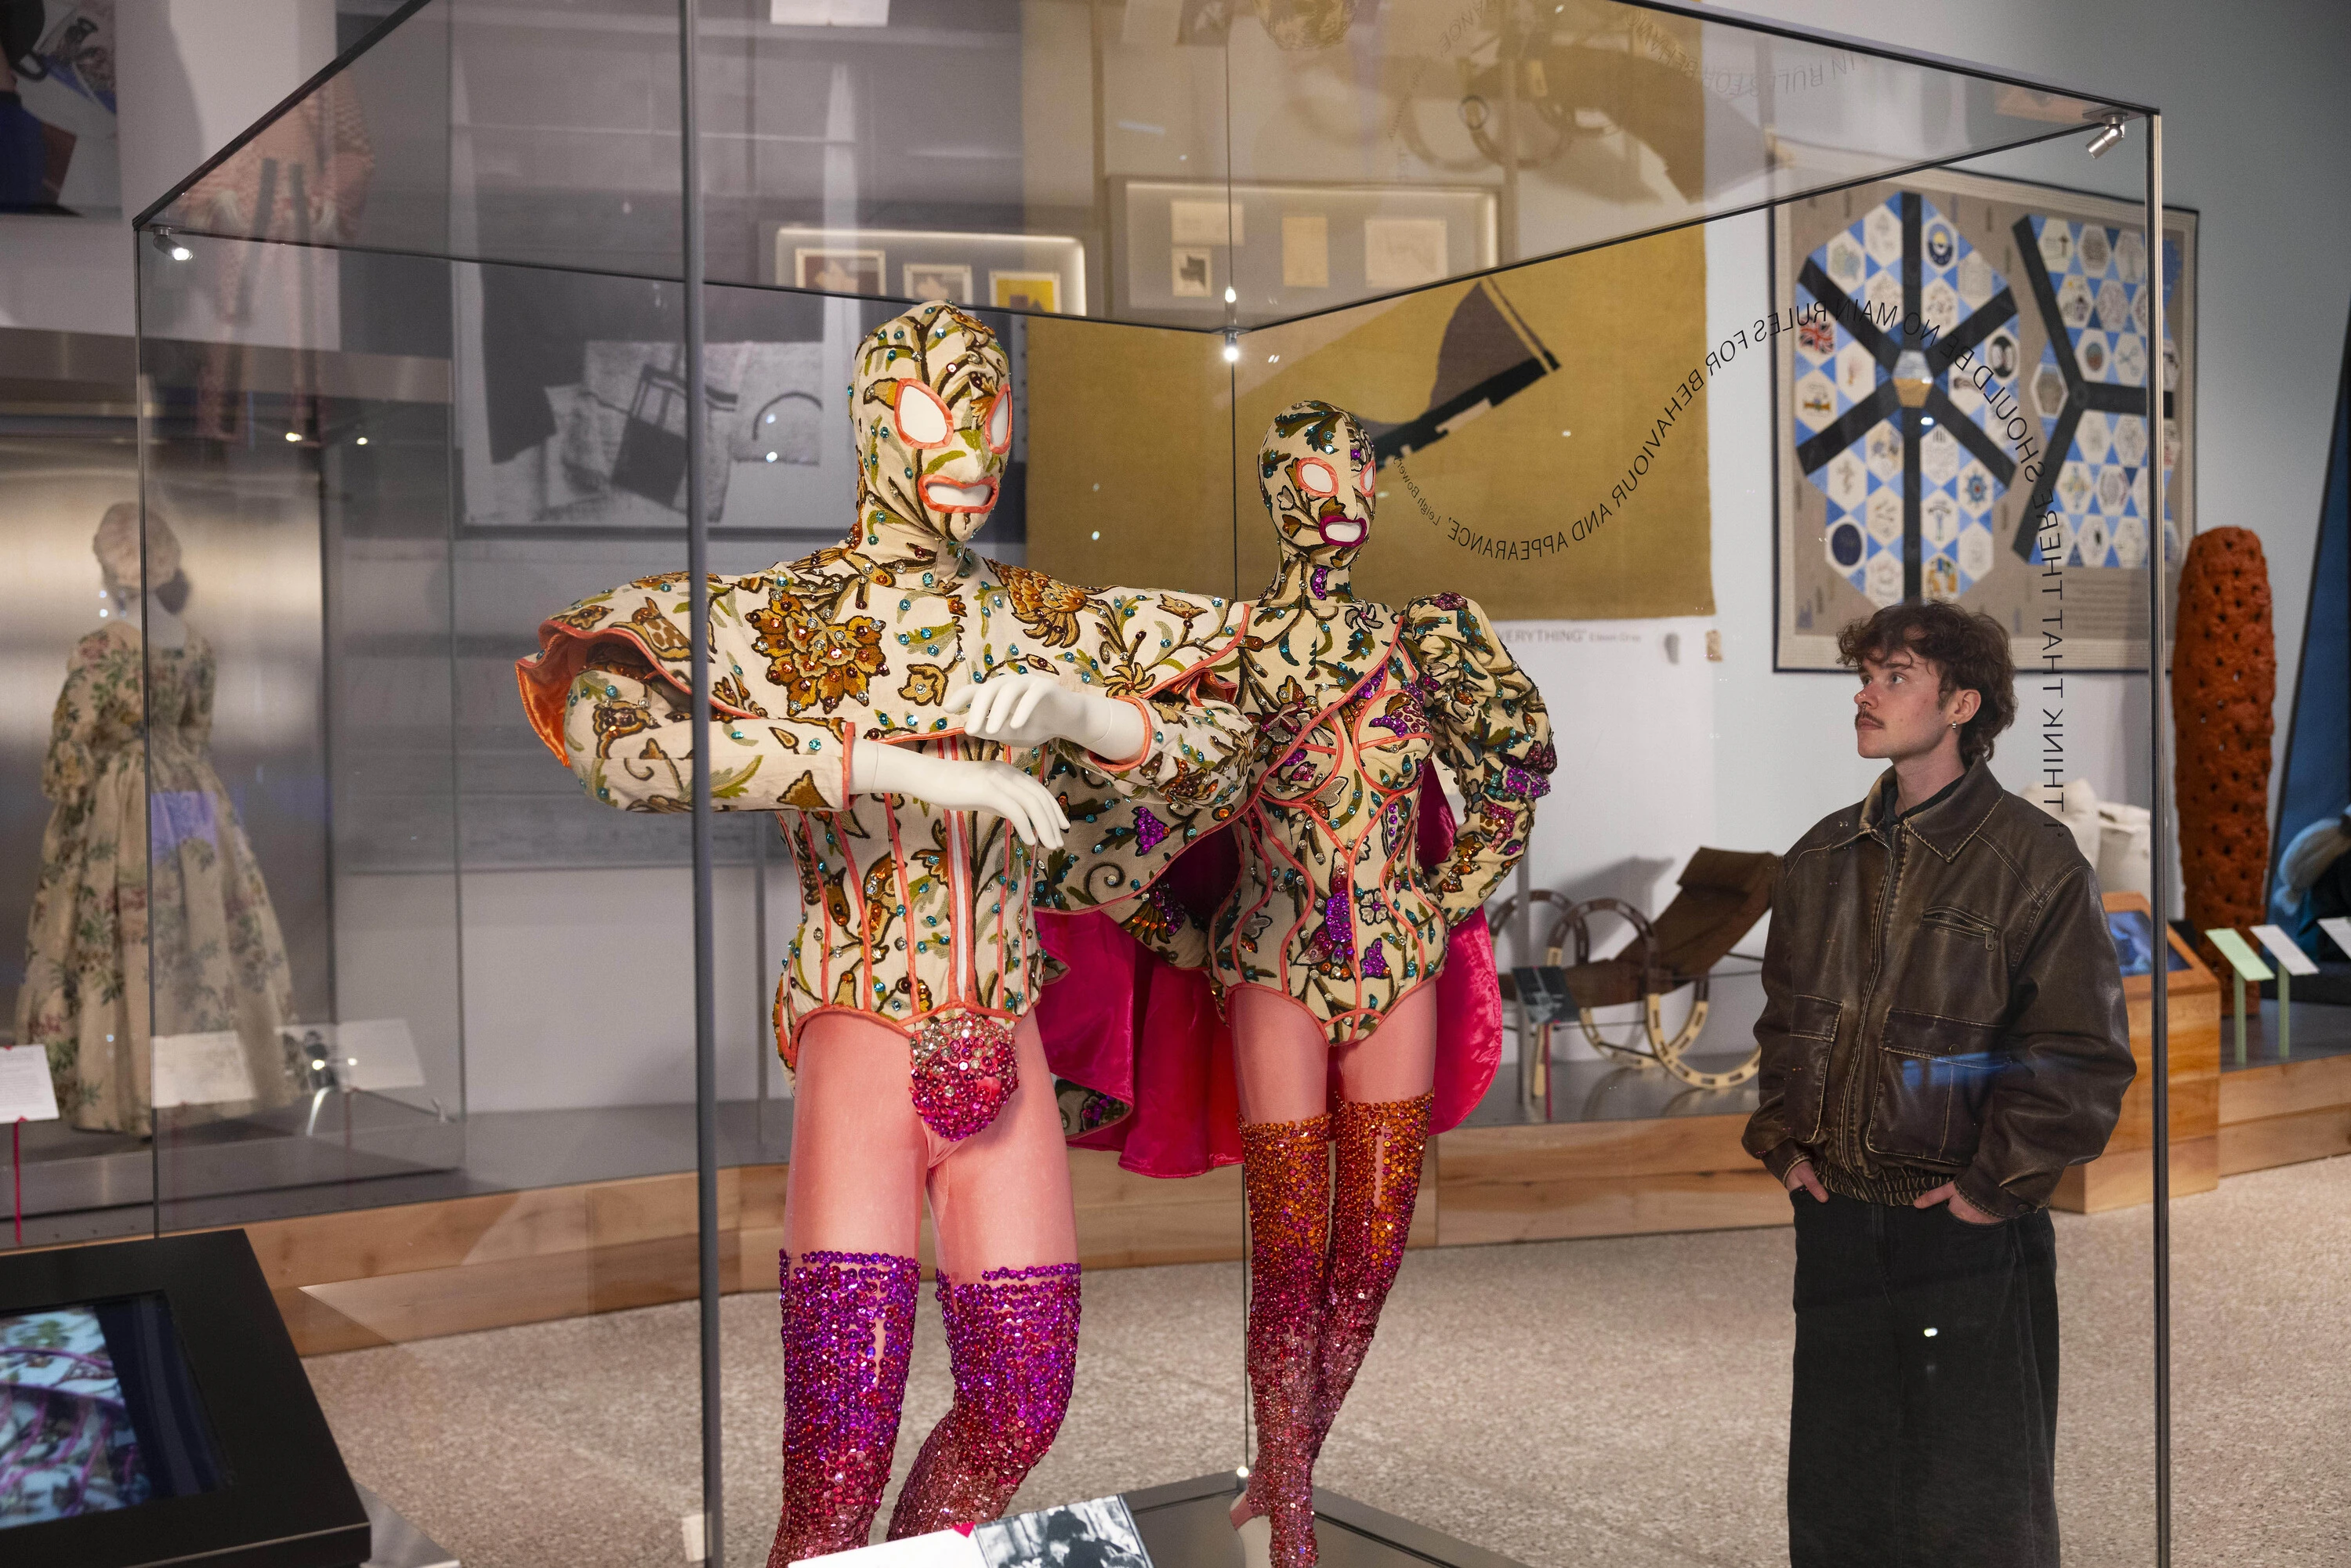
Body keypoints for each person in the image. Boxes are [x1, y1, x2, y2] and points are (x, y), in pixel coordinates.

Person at [516, 302, 1256, 1563]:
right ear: (871, 427)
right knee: (838, 1447)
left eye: (986, 414)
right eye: (927, 415)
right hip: (863, 1033)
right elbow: (612, 730)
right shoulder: (783, 618)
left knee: (1023, 1400)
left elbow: (1229, 742)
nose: (963, 448)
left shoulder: (1041, 613)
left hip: (1003, 1040)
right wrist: (893, 767)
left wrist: (1090, 709)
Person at [1742, 599, 2133, 1568]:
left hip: (1959, 1224)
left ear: (1962, 703)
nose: (1867, 697)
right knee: (1841, 1490)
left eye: (1894, 678)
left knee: (1975, 1497)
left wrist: (1990, 1192)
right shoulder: (1821, 855)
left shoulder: (2034, 862)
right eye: (1864, 677)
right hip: (1837, 1217)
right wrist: (1788, 1147)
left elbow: (2080, 1053)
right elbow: (1787, 1018)